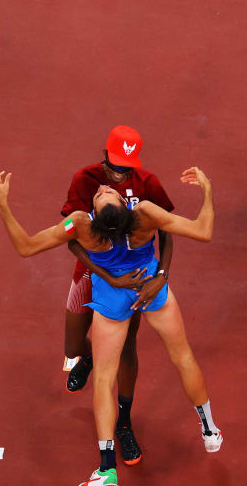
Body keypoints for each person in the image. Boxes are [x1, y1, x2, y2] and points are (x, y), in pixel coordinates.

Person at [0, 164, 222, 486]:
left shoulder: (82, 225)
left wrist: (2, 204)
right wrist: (208, 192)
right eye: (103, 193)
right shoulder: (143, 214)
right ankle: (209, 430)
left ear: (96, 216)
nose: (101, 189)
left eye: (101, 194)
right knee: (183, 357)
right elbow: (204, 230)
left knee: (103, 379)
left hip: (112, 299)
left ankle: (107, 470)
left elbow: (27, 246)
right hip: (149, 287)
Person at [60, 126, 176, 466]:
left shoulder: (148, 183)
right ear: (104, 156)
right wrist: (107, 275)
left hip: (133, 281)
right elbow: (71, 238)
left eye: (127, 167)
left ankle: (124, 422)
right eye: (115, 166)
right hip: (94, 275)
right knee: (72, 347)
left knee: (127, 349)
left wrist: (162, 274)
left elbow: (167, 231)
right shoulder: (85, 180)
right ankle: (91, 357)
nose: (120, 173)